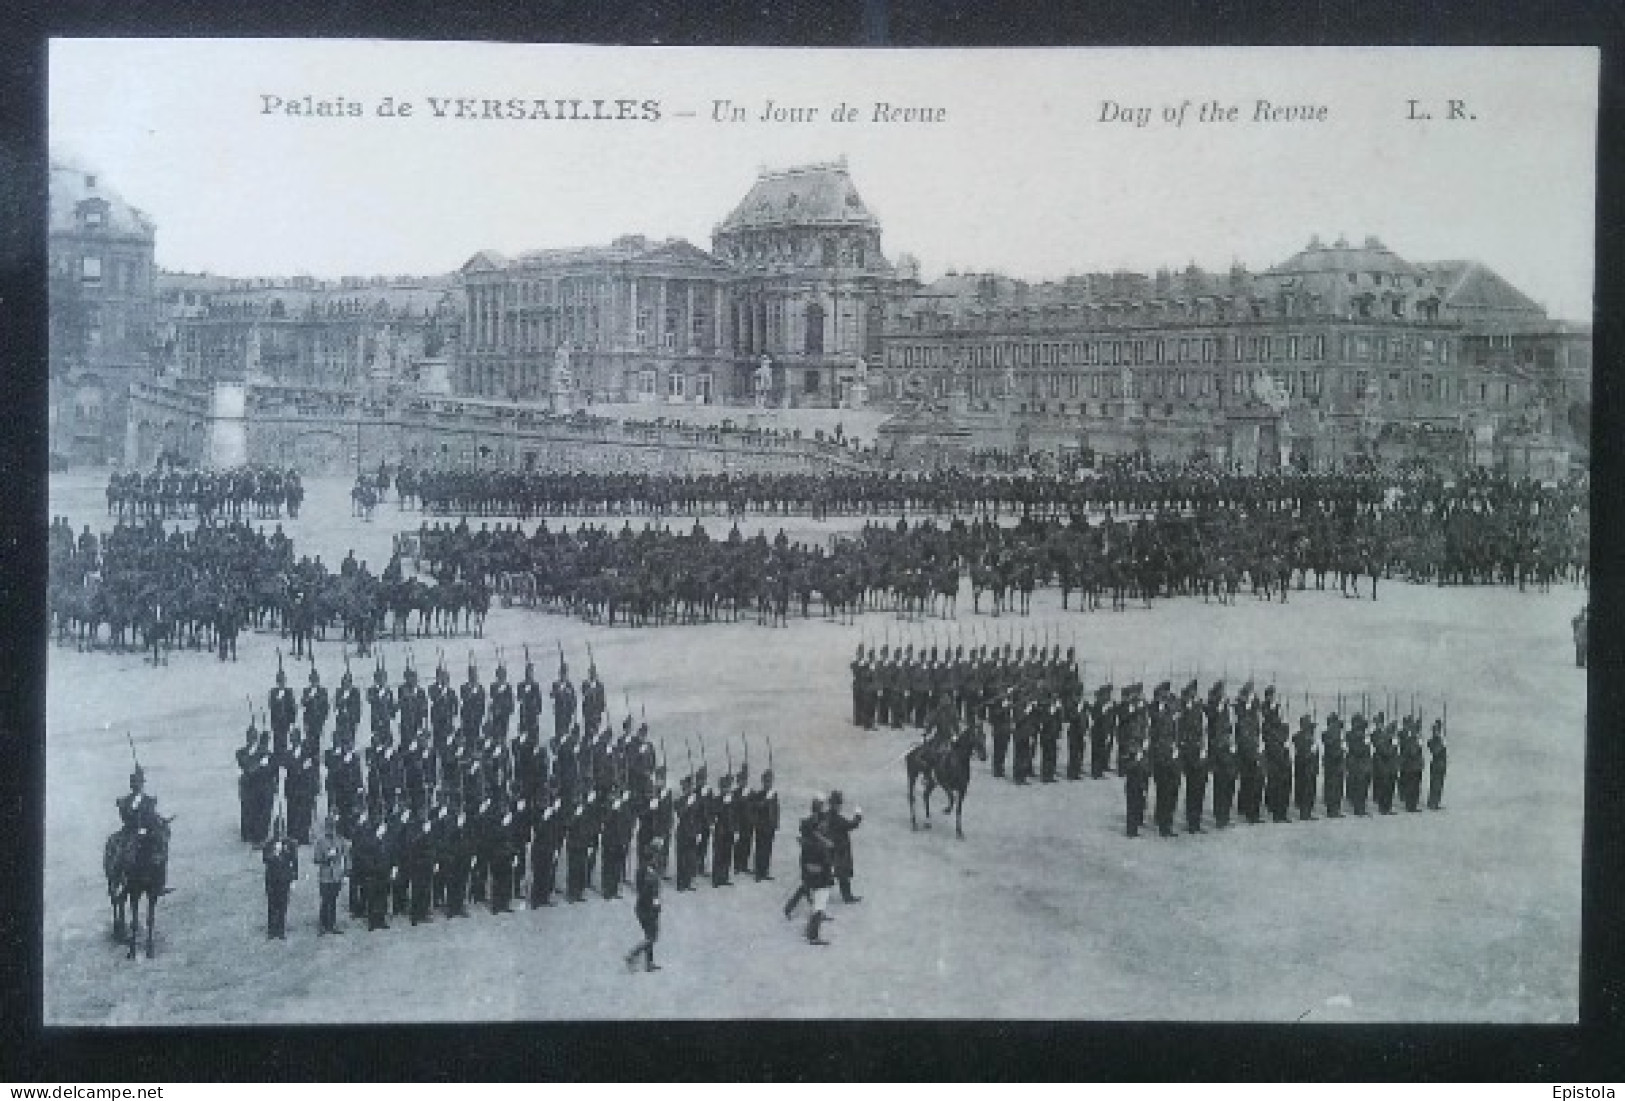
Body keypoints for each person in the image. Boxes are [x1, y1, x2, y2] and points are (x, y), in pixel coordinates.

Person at [623, 839, 664, 973]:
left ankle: (649, 962)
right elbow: (650, 892)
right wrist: (655, 906)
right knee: (652, 936)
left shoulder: (644, 869)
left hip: (642, 906)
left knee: (649, 935)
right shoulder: (649, 871)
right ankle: (633, 955)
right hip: (647, 907)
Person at [262, 817, 300, 940]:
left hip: (285, 878)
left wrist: (294, 879)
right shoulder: (268, 843)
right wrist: (274, 854)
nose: (279, 833)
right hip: (271, 878)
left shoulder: (291, 844)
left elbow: (295, 862)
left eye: (281, 830)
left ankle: (281, 929)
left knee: (283, 904)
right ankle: (271, 930)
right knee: (272, 904)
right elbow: (265, 859)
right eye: (277, 830)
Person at [313, 813, 349, 934]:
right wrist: (326, 858)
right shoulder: (320, 841)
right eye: (329, 826)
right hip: (325, 875)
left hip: (336, 875)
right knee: (325, 900)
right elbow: (316, 859)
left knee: (333, 900)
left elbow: (346, 854)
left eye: (333, 826)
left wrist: (346, 871)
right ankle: (323, 924)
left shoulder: (340, 839)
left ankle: (332, 924)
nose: (331, 829)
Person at [824, 791, 863, 903]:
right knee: (843, 874)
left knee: (829, 872)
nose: (840, 807)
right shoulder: (838, 819)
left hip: (829, 848)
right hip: (840, 850)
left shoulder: (826, 816)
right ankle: (847, 897)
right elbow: (852, 825)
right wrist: (858, 815)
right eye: (839, 804)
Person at [751, 769, 780, 881]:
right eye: (766, 781)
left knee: (768, 849)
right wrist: (764, 802)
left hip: (770, 826)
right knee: (760, 849)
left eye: (770, 781)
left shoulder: (774, 794)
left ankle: (765, 871)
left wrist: (776, 823)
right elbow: (755, 807)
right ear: (763, 782)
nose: (768, 784)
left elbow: (776, 809)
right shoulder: (759, 794)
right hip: (761, 826)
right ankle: (758, 872)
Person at [1426, 718, 1448, 810]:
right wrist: (1442, 744)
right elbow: (1436, 751)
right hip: (1436, 764)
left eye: (1439, 730)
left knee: (1439, 785)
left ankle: (1436, 802)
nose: (1438, 732)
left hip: (1441, 764)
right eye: (1437, 730)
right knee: (1435, 784)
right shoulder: (1432, 741)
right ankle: (1432, 803)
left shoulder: (1439, 740)